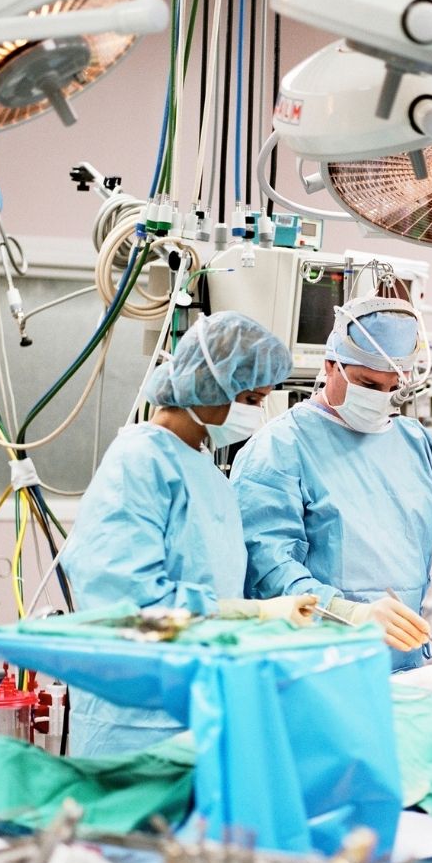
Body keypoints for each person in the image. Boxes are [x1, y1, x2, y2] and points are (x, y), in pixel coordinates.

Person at [231, 295, 432, 670]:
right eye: (367, 384)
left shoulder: (419, 444)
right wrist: (347, 615)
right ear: (331, 366)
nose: (380, 397)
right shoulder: (279, 449)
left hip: (402, 666)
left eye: (392, 387)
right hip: (312, 669)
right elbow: (269, 571)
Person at [61, 312, 318, 757]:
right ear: (209, 385)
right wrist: (251, 616)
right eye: (252, 398)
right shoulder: (139, 464)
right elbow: (126, 606)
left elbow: (212, 586)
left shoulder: (207, 472)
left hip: (199, 709)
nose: (255, 413)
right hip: (135, 723)